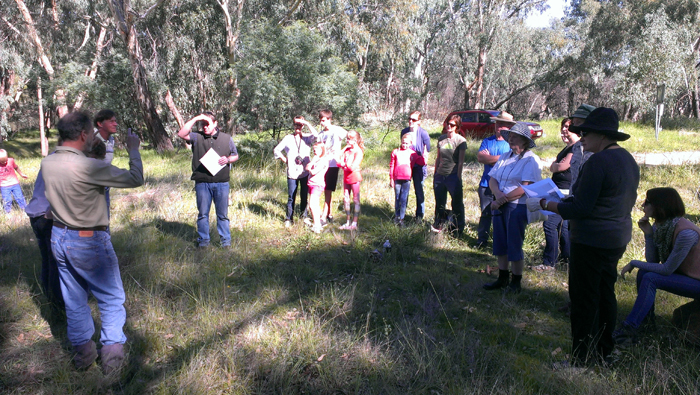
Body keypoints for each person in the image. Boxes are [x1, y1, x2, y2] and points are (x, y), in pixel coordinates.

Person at [530, 107, 640, 366]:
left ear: (603, 135)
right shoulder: (627, 159)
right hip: (616, 238)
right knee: (604, 293)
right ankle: (604, 351)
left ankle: (580, 359)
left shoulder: (598, 162)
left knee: (583, 299)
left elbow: (579, 208)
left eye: (586, 132)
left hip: (591, 239)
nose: (582, 137)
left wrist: (548, 205)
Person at [41, 111, 144, 373]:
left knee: (74, 299)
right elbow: (135, 179)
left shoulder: (48, 162)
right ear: (85, 134)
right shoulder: (89, 166)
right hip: (88, 238)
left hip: (59, 236)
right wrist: (134, 150)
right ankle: (112, 360)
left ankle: (83, 356)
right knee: (110, 298)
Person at [614, 188, 700, 344]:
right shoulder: (662, 227)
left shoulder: (686, 233)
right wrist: (648, 234)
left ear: (660, 206)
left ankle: (628, 329)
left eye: (647, 202)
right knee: (643, 273)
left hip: (697, 281)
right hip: (688, 277)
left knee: (651, 278)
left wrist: (633, 262)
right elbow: (653, 261)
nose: (642, 205)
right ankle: (646, 323)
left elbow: (667, 269)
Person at [483, 122, 541, 293]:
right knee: (500, 242)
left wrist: (502, 199)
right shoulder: (505, 156)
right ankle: (502, 278)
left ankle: (516, 282)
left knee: (514, 243)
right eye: (510, 137)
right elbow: (493, 178)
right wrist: (498, 194)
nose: (510, 139)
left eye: (514, 137)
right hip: (500, 204)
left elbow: (525, 187)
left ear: (524, 140)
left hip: (517, 206)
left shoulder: (531, 159)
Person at [178, 112, 239, 248]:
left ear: (215, 123)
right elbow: (181, 134)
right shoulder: (196, 137)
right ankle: (204, 242)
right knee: (203, 215)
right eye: (202, 124)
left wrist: (228, 159)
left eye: (207, 124)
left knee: (222, 215)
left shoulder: (226, 138)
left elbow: (235, 155)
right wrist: (196, 118)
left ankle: (225, 243)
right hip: (202, 183)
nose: (205, 127)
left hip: (221, 183)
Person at [538, 118, 576, 270]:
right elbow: (556, 165)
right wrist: (555, 165)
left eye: (568, 127)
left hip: (564, 193)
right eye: (563, 126)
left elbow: (561, 166)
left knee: (550, 225)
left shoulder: (575, 147)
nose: (564, 129)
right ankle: (566, 259)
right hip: (558, 190)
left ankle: (549, 263)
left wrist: (554, 166)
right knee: (563, 227)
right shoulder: (567, 148)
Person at [475, 112, 515, 248]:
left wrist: (491, 158)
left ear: (509, 127)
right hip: (486, 184)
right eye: (497, 123)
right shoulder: (487, 141)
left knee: (503, 215)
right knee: (486, 213)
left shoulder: (512, 144)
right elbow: (481, 158)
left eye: (502, 124)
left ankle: (502, 242)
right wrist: (501, 158)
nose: (498, 126)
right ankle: (482, 241)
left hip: (504, 186)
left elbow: (512, 161)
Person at [273, 116, 318, 227]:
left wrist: (306, 123)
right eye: (296, 124)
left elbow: (317, 136)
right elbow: (276, 150)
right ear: (293, 125)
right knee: (291, 196)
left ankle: (304, 217)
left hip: (304, 172)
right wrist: (285, 160)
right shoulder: (288, 138)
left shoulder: (307, 138)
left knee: (304, 195)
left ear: (302, 126)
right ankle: (289, 218)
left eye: (300, 125)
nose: (298, 127)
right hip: (292, 171)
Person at [431, 115, 467, 235]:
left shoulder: (461, 141)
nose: (449, 126)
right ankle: (438, 225)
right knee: (440, 202)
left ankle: (457, 228)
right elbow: (438, 158)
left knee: (457, 203)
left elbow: (461, 161)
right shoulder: (441, 139)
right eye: (448, 124)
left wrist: (458, 177)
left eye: (452, 125)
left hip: (453, 176)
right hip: (440, 176)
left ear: (457, 126)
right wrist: (435, 173)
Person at [317, 110, 348, 225]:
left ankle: (324, 216)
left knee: (328, 189)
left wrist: (342, 153)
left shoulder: (338, 130)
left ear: (329, 119)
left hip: (333, 164)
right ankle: (328, 213)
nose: (322, 122)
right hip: (323, 164)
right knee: (325, 189)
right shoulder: (321, 134)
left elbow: (351, 138)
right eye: (320, 120)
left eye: (324, 120)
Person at [400, 111, 431, 222]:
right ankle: (401, 215)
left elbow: (428, 149)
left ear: (419, 121)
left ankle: (419, 216)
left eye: (414, 119)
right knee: (404, 191)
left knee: (419, 190)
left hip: (418, 166)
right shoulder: (404, 131)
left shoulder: (423, 133)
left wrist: (424, 160)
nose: (411, 121)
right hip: (406, 167)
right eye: (409, 118)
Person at [390, 134, 426, 226]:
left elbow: (422, 163)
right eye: (403, 143)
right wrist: (391, 178)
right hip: (397, 178)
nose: (404, 145)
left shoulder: (412, 153)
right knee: (397, 197)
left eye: (406, 143)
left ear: (410, 143)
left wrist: (421, 154)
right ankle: (396, 217)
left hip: (407, 179)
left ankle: (402, 218)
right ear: (401, 142)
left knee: (404, 198)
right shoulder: (396, 152)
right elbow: (392, 165)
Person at [338, 130, 364, 230]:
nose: (348, 141)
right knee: (346, 198)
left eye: (350, 139)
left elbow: (352, 167)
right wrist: (345, 148)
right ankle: (347, 220)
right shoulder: (347, 150)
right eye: (347, 138)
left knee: (356, 199)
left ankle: (354, 222)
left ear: (356, 140)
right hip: (346, 177)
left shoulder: (358, 151)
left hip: (354, 177)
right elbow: (338, 159)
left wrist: (344, 164)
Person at [93, 110, 118, 211]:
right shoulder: (91, 139)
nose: (115, 124)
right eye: (111, 121)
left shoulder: (111, 140)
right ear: (100, 124)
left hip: (105, 184)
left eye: (115, 121)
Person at [568, 104, 595, 192]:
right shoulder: (576, 146)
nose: (576, 126)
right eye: (574, 122)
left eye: (579, 122)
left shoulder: (599, 149)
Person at [306, 142, 329, 233]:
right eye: (314, 149)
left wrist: (310, 167)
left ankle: (317, 225)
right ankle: (317, 223)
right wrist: (312, 162)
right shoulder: (315, 159)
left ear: (322, 150)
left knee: (312, 205)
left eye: (317, 149)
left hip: (317, 184)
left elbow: (313, 171)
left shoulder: (323, 160)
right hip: (311, 183)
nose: (315, 151)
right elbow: (307, 166)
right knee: (314, 205)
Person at [0, 149, 28, 213]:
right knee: (7, 200)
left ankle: (25, 209)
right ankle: (7, 212)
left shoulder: (11, 160)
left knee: (20, 197)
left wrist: (21, 174)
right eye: (2, 162)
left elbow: (16, 167)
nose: (4, 163)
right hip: (4, 186)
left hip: (14, 183)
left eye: (5, 160)